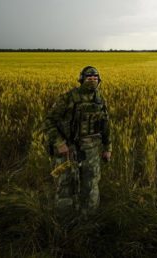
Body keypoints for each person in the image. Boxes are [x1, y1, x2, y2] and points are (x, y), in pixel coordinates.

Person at [44, 66, 112, 219]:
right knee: (66, 185)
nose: (92, 81)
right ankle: (64, 221)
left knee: (91, 185)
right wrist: (59, 143)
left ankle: (88, 221)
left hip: (92, 151)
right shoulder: (67, 98)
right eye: (89, 78)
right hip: (69, 150)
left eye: (95, 78)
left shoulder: (100, 100)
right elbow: (49, 121)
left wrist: (108, 147)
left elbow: (106, 126)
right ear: (81, 80)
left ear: (99, 81)